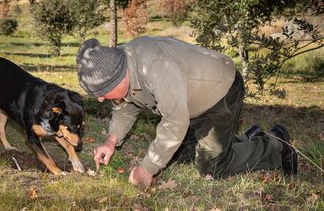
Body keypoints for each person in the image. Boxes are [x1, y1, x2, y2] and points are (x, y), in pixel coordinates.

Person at [76, 36, 297, 187]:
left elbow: (174, 122)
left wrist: (146, 170)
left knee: (211, 166)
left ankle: (276, 147)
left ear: (118, 76)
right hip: (190, 102)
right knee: (181, 156)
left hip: (219, 91)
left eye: (103, 91)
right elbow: (125, 106)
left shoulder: (154, 65)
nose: (101, 98)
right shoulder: (119, 62)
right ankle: (246, 139)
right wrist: (111, 141)